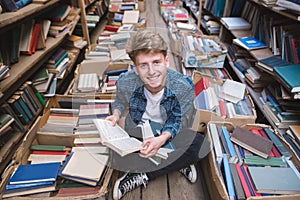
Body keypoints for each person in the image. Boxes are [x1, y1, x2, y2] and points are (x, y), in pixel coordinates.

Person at [105, 30, 209, 200]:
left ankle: (141, 174)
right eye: (144, 65)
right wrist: (115, 116)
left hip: (169, 134)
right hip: (138, 134)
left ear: (166, 61)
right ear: (135, 69)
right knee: (110, 151)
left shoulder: (183, 86)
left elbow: (178, 120)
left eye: (156, 62)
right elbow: (119, 102)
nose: (152, 71)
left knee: (200, 144)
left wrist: (161, 139)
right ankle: (177, 162)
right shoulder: (125, 81)